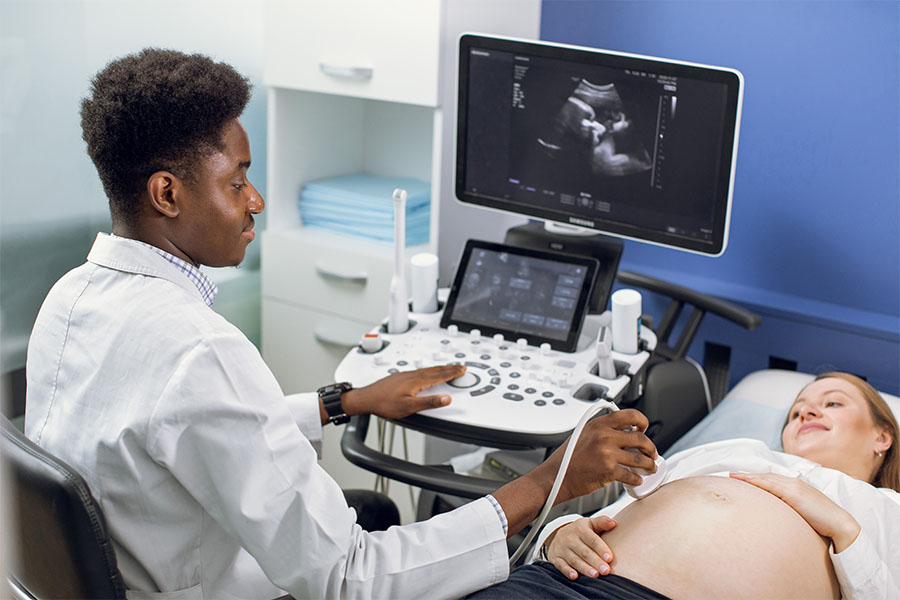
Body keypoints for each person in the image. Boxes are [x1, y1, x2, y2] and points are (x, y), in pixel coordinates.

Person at [23, 48, 660, 599]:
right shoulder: (199, 348)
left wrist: (342, 401)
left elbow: (179, 427)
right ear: (167, 194)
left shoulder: (70, 298)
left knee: (376, 507)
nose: (257, 201)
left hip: (141, 570)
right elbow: (350, 581)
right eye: (238, 179)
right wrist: (550, 481)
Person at [468, 372, 900, 599]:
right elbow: (612, 517)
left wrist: (845, 530)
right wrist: (557, 535)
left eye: (832, 403)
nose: (806, 413)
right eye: (796, 411)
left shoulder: (884, 508)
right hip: (567, 586)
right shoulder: (738, 449)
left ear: (883, 436)